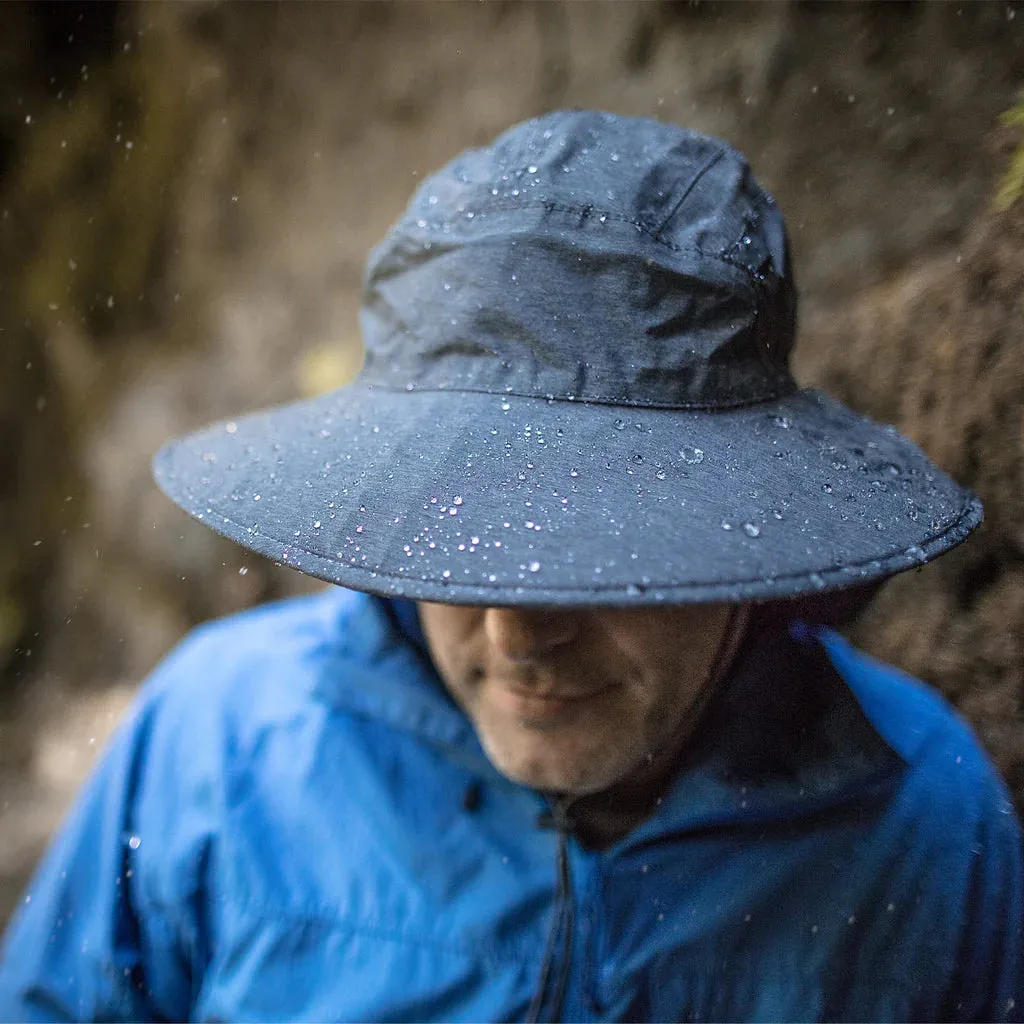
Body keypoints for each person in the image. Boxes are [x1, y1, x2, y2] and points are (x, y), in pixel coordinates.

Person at [1, 110, 1020, 1023]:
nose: (518, 634)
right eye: (457, 539)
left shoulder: (919, 819)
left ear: (750, 545)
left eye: (602, 559)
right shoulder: (219, 741)